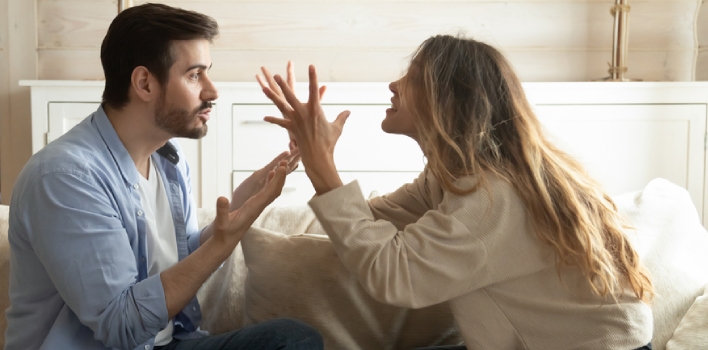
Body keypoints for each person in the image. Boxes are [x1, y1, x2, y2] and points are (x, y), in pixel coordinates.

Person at [257, 35, 654, 350]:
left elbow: (396, 275)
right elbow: (366, 222)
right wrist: (314, 158)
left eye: (410, 78)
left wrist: (322, 165)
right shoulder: (455, 178)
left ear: (448, 98)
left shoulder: (494, 198)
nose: (393, 85)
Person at [4, 4, 323, 350]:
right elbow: (121, 326)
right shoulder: (65, 178)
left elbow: (184, 264)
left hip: (167, 343)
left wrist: (246, 202)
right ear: (144, 83)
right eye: (195, 75)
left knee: (292, 340)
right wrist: (221, 244)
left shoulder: (168, 161)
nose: (212, 91)